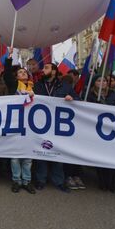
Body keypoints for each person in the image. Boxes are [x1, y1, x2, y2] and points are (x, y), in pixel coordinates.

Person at [33, 62, 75, 193]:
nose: (43, 70)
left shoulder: (65, 86)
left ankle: (59, 180)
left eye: (46, 68)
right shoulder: (38, 85)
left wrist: (72, 98)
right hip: (41, 123)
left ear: (54, 71)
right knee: (41, 150)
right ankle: (41, 179)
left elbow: (78, 100)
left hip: (59, 125)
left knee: (57, 151)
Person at [87, 76, 115, 192]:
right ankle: (102, 180)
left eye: (104, 81)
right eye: (99, 80)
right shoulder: (90, 94)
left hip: (111, 130)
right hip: (96, 129)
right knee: (100, 155)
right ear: (94, 83)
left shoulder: (113, 94)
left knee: (112, 155)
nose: (102, 82)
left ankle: (112, 182)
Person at [10, 67, 36, 194]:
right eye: (20, 72)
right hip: (16, 123)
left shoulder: (34, 87)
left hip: (31, 125)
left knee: (27, 157)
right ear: (16, 77)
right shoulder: (15, 86)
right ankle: (16, 180)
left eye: (25, 72)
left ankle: (27, 181)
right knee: (15, 156)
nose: (23, 73)